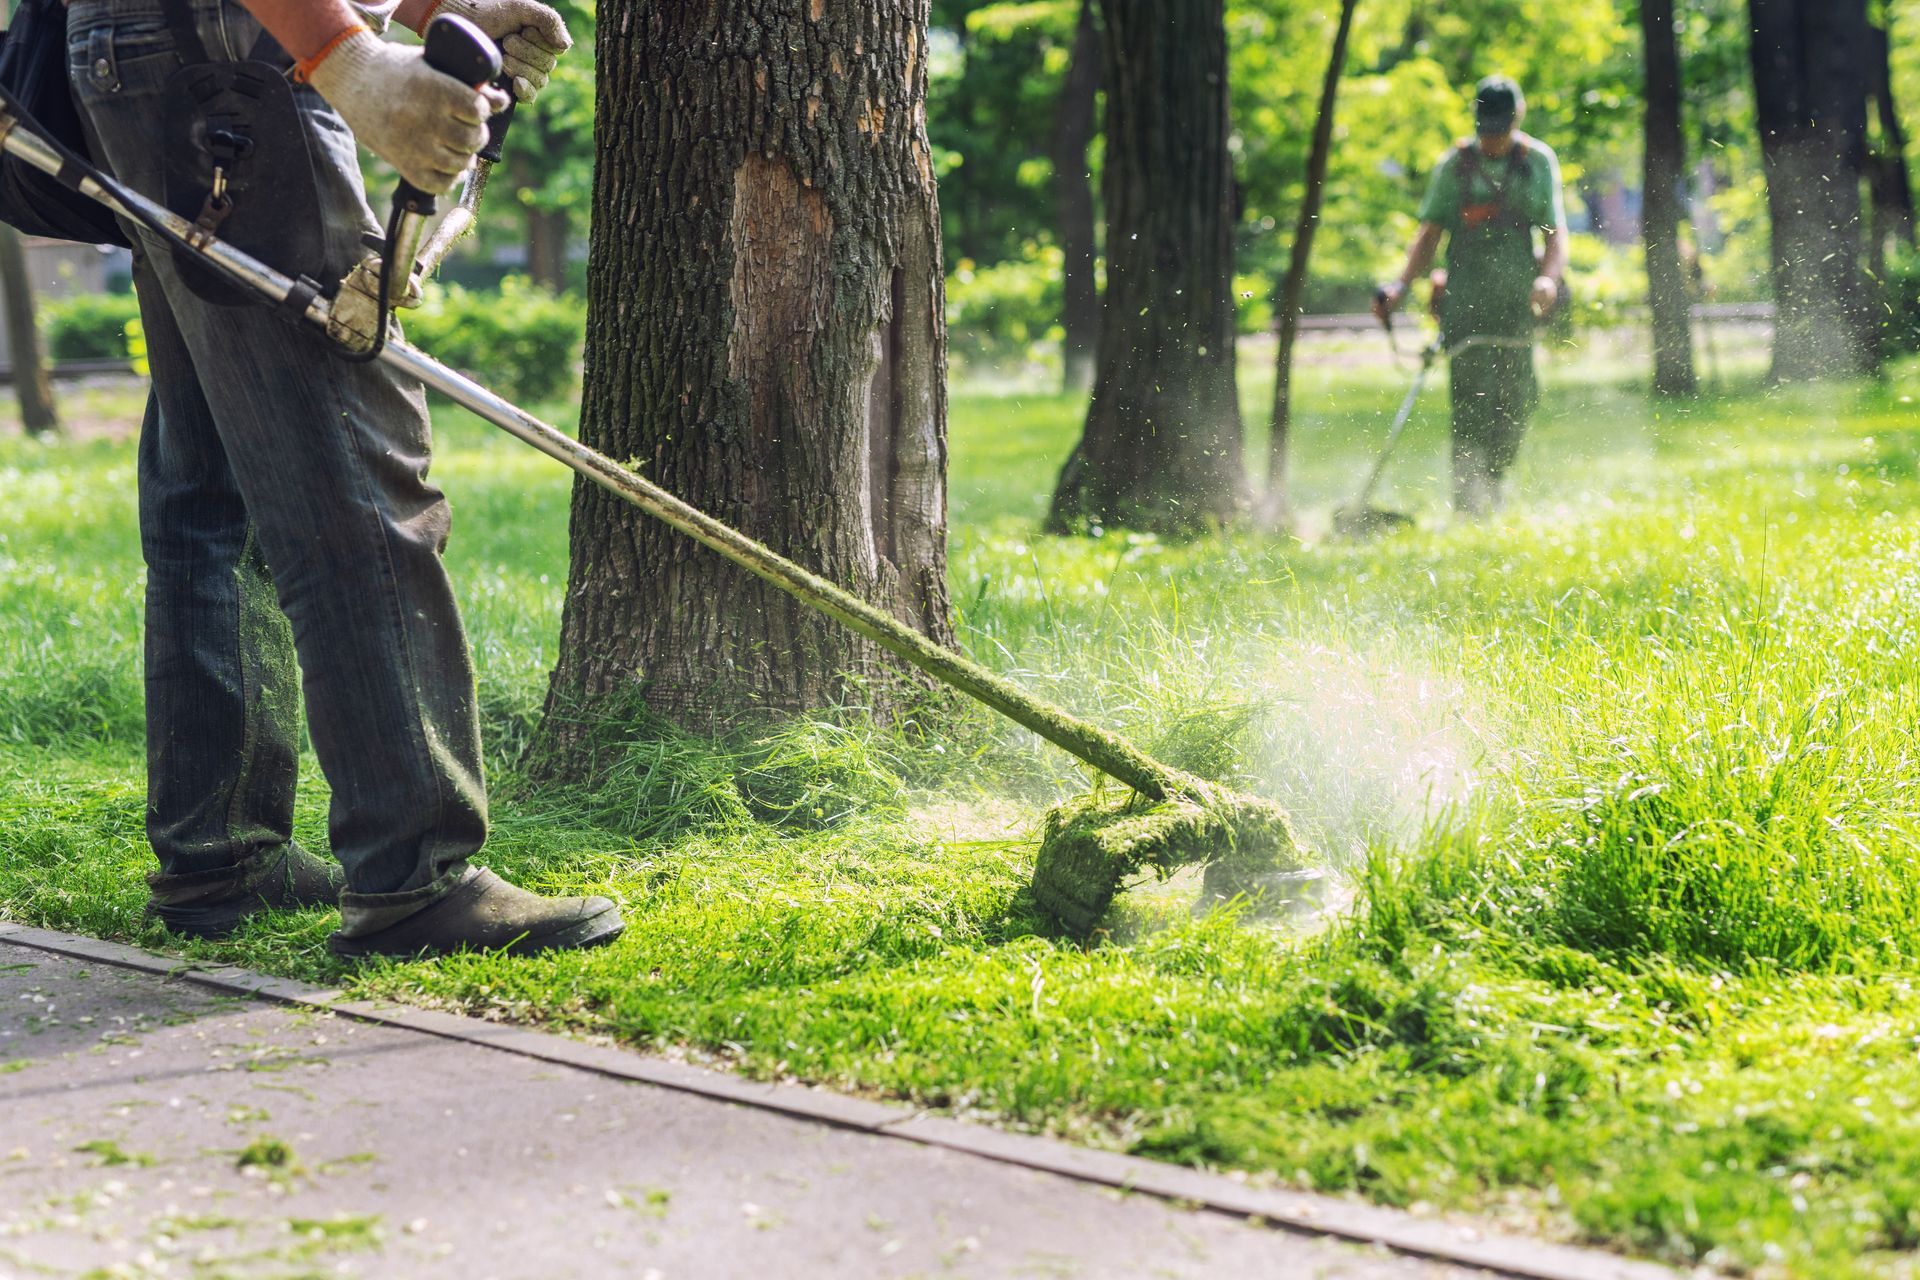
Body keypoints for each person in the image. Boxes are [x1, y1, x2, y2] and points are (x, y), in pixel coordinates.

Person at [69, 0, 625, 958]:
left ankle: (221, 856)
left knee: (218, 477)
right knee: (350, 465)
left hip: (147, 49)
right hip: (228, 52)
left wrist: (421, 10)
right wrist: (347, 54)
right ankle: (415, 877)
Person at [1372, 75, 1568, 517]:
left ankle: (1494, 485)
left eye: (1500, 128)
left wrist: (1548, 280)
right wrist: (1401, 287)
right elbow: (1429, 233)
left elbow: (1555, 233)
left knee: (1517, 398)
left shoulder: (1536, 162)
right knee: (1471, 400)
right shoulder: (1454, 166)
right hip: (1466, 299)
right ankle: (1468, 501)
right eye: (1486, 128)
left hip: (1517, 299)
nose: (1492, 137)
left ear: (1517, 118)